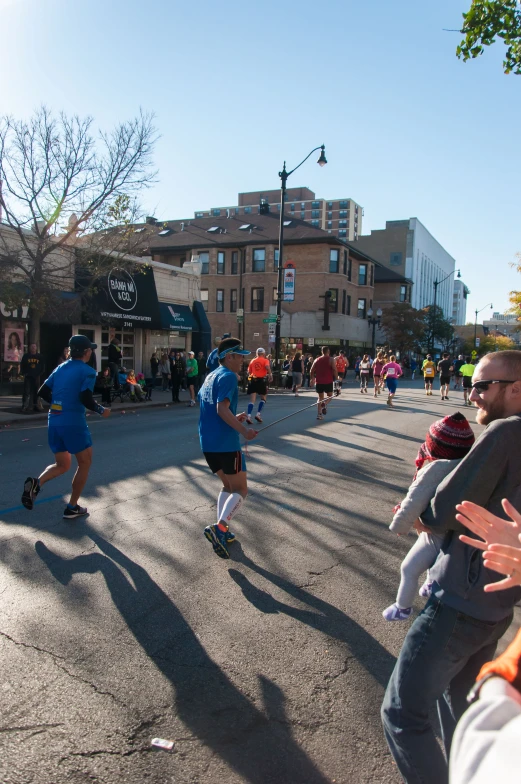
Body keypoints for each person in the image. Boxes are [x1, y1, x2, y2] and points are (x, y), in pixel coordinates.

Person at [381, 350, 521, 784]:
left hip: (461, 596)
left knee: (401, 713)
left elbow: (444, 509)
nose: (472, 394)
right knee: (457, 699)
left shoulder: (505, 433)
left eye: (483, 385)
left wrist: (427, 491)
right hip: (497, 603)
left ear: (516, 388)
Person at [383, 413, 475, 621]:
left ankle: (402, 607)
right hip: (461, 529)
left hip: (436, 532)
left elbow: (415, 499)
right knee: (438, 560)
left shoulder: (435, 469)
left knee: (408, 568)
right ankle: (431, 580)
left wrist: (400, 524)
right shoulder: (470, 465)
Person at [21, 335, 111, 519]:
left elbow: (42, 392)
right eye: (90, 350)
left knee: (63, 464)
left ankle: (37, 483)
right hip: (73, 422)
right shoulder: (87, 371)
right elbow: (85, 398)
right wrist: (102, 410)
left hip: (54, 420)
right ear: (86, 352)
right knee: (85, 462)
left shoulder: (60, 368)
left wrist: (59, 403)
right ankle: (72, 507)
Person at [198, 337, 257, 559]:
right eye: (240, 355)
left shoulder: (211, 376)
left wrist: (236, 416)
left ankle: (222, 529)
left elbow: (216, 410)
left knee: (227, 486)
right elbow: (222, 410)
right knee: (241, 489)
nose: (243, 359)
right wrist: (244, 430)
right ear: (229, 356)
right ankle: (220, 528)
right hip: (225, 443)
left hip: (208, 442)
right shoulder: (229, 376)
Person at [310, 345, 338, 421]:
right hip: (328, 381)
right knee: (330, 396)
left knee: (320, 398)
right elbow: (334, 369)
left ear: (322, 352)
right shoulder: (331, 359)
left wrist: (312, 379)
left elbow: (311, 370)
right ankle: (325, 404)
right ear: (328, 352)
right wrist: (337, 379)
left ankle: (319, 414)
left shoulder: (316, 360)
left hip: (319, 382)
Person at [246, 348, 272, 423]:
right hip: (261, 380)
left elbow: (249, 371)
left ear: (257, 354)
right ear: (263, 354)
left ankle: (249, 416)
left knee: (252, 400)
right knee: (263, 398)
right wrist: (270, 374)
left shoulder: (252, 361)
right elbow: (267, 367)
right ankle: (258, 414)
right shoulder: (265, 360)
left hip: (253, 379)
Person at [20, 343, 44, 413]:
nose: (33, 348)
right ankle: (24, 406)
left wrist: (39, 374)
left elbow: (43, 367)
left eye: (34, 347)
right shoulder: (26, 356)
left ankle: (35, 405)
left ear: (36, 348)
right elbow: (22, 365)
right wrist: (24, 373)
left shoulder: (40, 357)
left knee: (36, 392)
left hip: (36, 377)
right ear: (29, 348)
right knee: (26, 392)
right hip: (28, 376)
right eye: (32, 347)